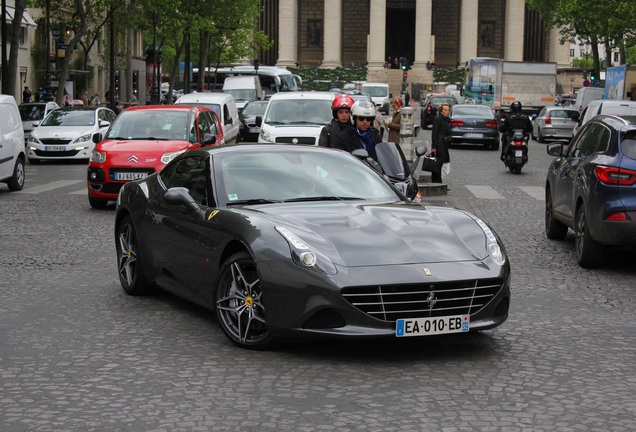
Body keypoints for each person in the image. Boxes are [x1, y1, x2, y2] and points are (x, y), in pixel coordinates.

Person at [430, 102, 451, 183]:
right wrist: (434, 146)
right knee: (437, 164)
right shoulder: (438, 119)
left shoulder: (447, 120)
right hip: (439, 145)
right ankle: (436, 181)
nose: (447, 112)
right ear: (441, 111)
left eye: (448, 110)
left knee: (442, 163)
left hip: (444, 144)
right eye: (445, 110)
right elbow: (434, 133)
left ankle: (438, 180)